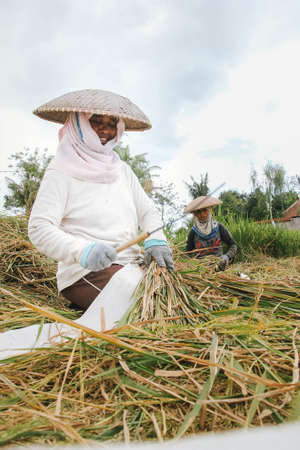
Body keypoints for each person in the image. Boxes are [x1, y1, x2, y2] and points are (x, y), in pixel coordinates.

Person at [28, 89, 174, 315]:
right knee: (145, 304)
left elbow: (148, 211)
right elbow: (39, 228)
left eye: (112, 122)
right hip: (85, 274)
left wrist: (156, 239)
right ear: (79, 125)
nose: (105, 129)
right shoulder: (60, 172)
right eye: (96, 122)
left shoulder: (122, 171)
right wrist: (83, 251)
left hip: (131, 265)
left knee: (170, 292)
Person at [184, 196, 237, 271]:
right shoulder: (193, 232)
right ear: (194, 214)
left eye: (204, 210)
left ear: (210, 210)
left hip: (219, 267)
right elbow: (187, 252)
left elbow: (233, 245)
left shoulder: (219, 227)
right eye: (198, 212)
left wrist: (227, 256)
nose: (202, 214)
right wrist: (190, 263)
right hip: (201, 270)